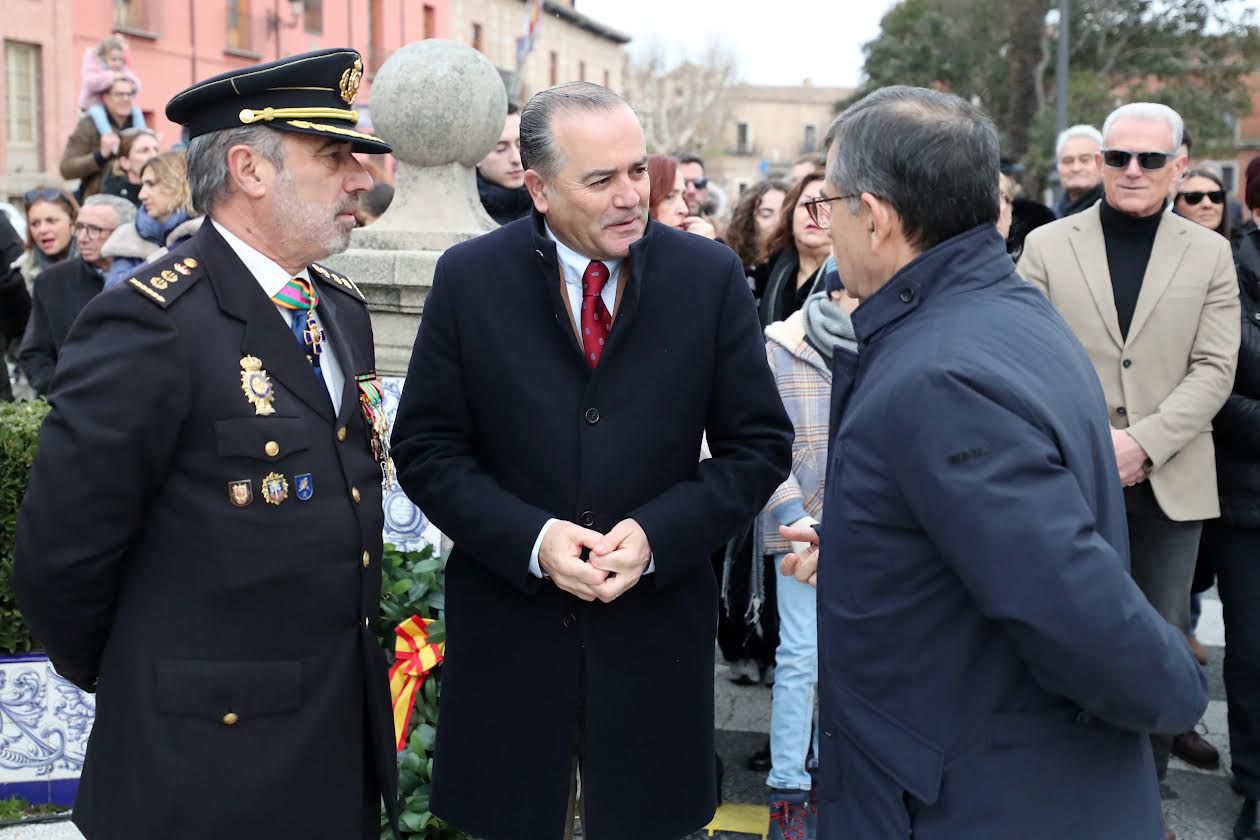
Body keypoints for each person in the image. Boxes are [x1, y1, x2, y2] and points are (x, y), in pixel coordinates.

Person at [780, 85, 1208, 840]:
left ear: (875, 217)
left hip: (970, 792)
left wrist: (1177, 688)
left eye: (832, 204)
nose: (824, 225)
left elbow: (1067, 592)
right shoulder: (997, 306)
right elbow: (982, 524)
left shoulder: (938, 373)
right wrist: (870, 541)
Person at [389, 81, 793, 840]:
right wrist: (532, 540)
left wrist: (661, 533)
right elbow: (426, 449)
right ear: (538, 188)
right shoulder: (470, 279)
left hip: (654, 636)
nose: (630, 196)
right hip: (512, 633)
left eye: (637, 171)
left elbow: (759, 446)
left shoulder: (706, 279)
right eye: (601, 179)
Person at [14, 48, 399, 840]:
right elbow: (61, 559)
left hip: (333, 741)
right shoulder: (151, 322)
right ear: (252, 170)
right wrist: (152, 682)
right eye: (335, 156)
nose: (362, 179)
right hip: (201, 764)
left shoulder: (339, 309)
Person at [1019, 102, 1237, 832]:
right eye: (1118, 158)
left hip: (1169, 483)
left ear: (1180, 164)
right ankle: (1061, 799)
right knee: (1057, 638)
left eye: (1149, 159)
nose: (1132, 171)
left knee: (1156, 649)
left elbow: (1214, 369)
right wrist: (1091, 446)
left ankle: (1138, 809)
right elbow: (1025, 360)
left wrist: (1142, 443)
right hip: (1066, 478)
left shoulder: (1209, 253)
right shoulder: (1047, 246)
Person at [761, 271, 857, 840]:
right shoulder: (781, 344)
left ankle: (834, 772)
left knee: (849, 656)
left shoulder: (889, 342)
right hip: (797, 527)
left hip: (866, 528)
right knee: (800, 655)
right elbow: (761, 440)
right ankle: (789, 787)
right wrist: (795, 515)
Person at [1207, 154, 1260, 840]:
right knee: (1251, 648)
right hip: (1246, 496)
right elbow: (1215, 383)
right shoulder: (1225, 271)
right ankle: (1254, 781)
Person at [18, 194, 133, 396]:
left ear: (124, 232)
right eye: (79, 227)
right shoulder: (51, 281)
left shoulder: (148, 275)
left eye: (95, 229)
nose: (82, 237)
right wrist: (65, 393)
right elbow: (35, 354)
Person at [6, 188, 78, 394]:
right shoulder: (20, 277)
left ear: (73, 223)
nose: (42, 230)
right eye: (35, 223)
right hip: (38, 389)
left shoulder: (98, 268)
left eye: (51, 221)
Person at [103, 150, 202, 288]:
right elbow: (113, 290)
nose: (141, 195)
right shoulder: (129, 236)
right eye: (142, 185)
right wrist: (167, 255)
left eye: (150, 184)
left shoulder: (207, 231)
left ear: (178, 183)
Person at [759, 172, 832, 326]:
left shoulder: (849, 278)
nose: (814, 213)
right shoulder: (771, 265)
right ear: (790, 214)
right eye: (806, 204)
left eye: (826, 204)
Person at [60, 75, 142, 201]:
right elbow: (67, 169)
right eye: (119, 94)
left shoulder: (139, 125)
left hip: (136, 196)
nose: (126, 98)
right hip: (98, 200)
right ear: (105, 97)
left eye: (129, 94)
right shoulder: (89, 125)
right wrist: (100, 156)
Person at [726, 180, 788, 300]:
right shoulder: (734, 263)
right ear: (749, 220)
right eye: (766, 214)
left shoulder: (793, 268)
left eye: (785, 214)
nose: (778, 223)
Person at [79, 36, 147, 140]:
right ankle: (108, 136)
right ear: (104, 59)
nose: (117, 63)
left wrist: (127, 81)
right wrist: (112, 77)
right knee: (98, 114)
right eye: (113, 59)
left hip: (113, 108)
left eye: (120, 59)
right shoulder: (96, 69)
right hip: (93, 105)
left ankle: (142, 135)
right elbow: (90, 83)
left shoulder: (122, 70)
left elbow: (136, 84)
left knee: (136, 111)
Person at [477, 103, 532, 225]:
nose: (516, 158)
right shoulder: (460, 209)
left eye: (520, 145)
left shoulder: (549, 206)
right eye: (501, 148)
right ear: (476, 154)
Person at [647, 153, 716, 238]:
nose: (685, 210)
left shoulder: (719, 231)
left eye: (698, 183)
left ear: (707, 188)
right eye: (670, 196)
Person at [99, 127, 161, 207]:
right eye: (144, 151)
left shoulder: (166, 188)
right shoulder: (113, 199)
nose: (154, 155)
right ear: (125, 163)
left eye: (156, 149)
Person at [1054, 124, 1104, 217]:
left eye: (1084, 160)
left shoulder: (1112, 214)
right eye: (1068, 161)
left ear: (1102, 163)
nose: (1076, 168)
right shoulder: (1049, 217)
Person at [1173, 167, 1231, 242]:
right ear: (1175, 203)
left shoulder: (1242, 248)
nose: (1207, 204)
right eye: (1194, 197)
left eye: (1215, 196)